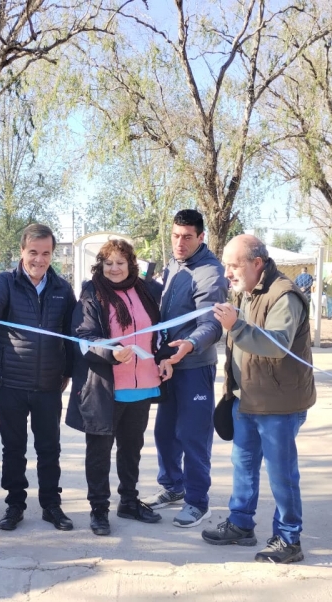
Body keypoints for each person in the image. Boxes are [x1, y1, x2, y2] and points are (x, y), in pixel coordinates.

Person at [202, 234, 315, 564]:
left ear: (257, 263)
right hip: (246, 399)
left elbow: (277, 344)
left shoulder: (285, 295)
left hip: (278, 405)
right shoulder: (247, 293)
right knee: (244, 465)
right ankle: (240, 524)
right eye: (225, 265)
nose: (227, 273)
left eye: (233, 265)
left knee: (281, 473)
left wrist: (234, 326)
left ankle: (288, 538)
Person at [66, 239, 170, 536]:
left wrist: (164, 358)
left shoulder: (146, 291)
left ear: (130, 264)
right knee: (99, 451)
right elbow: (84, 336)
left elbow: (157, 332)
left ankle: (129, 500)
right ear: (101, 265)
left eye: (120, 262)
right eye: (108, 262)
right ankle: (99, 508)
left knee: (131, 449)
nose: (114, 268)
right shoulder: (91, 293)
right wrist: (110, 352)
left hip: (143, 385)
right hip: (106, 387)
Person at [0, 224, 77, 532]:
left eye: (46, 253)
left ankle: (51, 505)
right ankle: (15, 505)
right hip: (11, 384)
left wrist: (69, 372)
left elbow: (73, 333)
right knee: (14, 448)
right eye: (33, 252)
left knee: (49, 448)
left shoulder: (62, 288)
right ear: (22, 252)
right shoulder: (6, 282)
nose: (39, 259)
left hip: (49, 385)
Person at [143, 209, 228, 528]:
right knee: (165, 433)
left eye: (187, 237)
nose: (180, 243)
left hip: (194, 366)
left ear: (201, 237)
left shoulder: (210, 273)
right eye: (175, 236)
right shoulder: (174, 265)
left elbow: (212, 324)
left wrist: (190, 345)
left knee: (192, 435)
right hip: (168, 365)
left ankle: (197, 501)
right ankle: (173, 488)